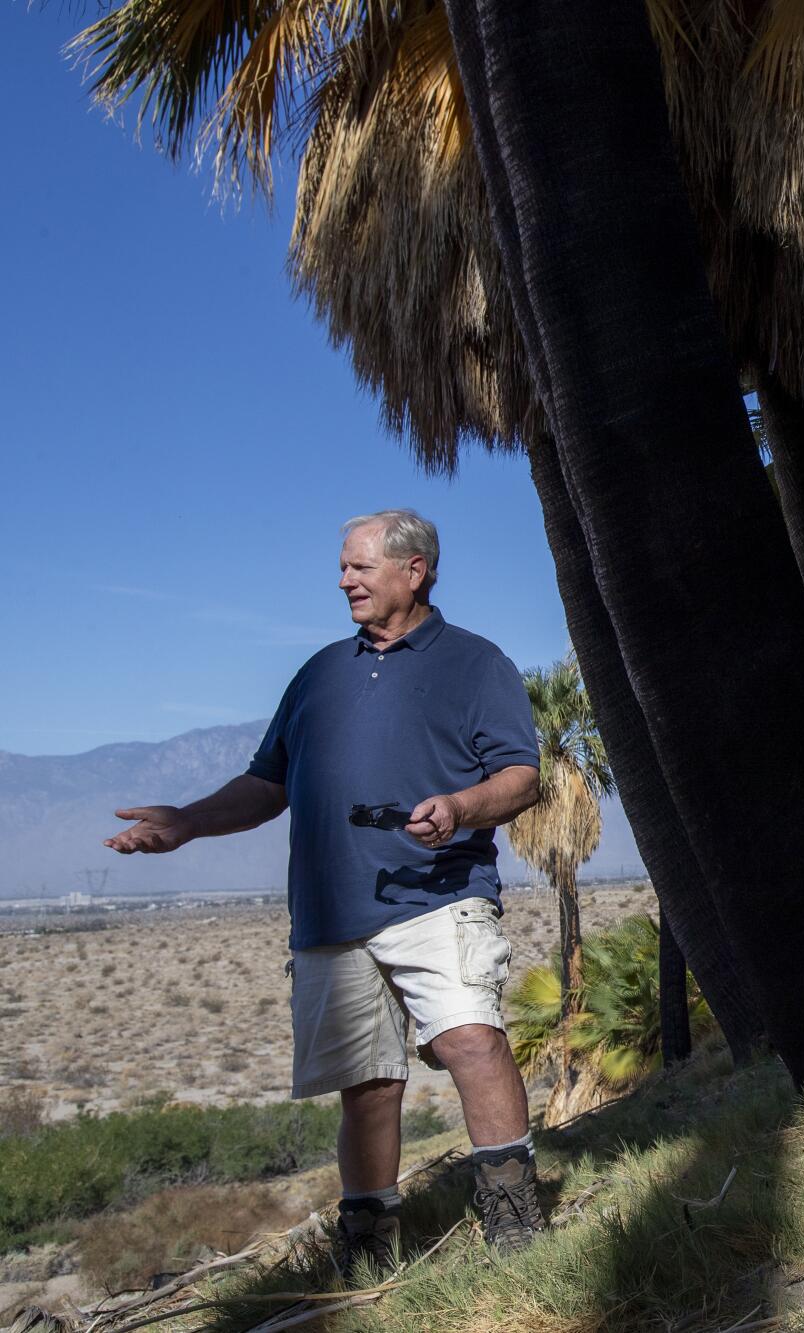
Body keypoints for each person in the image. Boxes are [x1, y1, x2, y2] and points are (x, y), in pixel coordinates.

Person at [104, 509, 547, 1273]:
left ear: (416, 570)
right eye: (343, 567)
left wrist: (459, 808)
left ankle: (514, 1217)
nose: (343, 579)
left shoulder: (477, 663)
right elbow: (264, 784)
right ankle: (369, 1248)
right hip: (331, 912)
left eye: (359, 566)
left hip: (438, 893)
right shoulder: (315, 674)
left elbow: (521, 775)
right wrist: (186, 823)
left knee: (470, 1038)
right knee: (367, 1086)